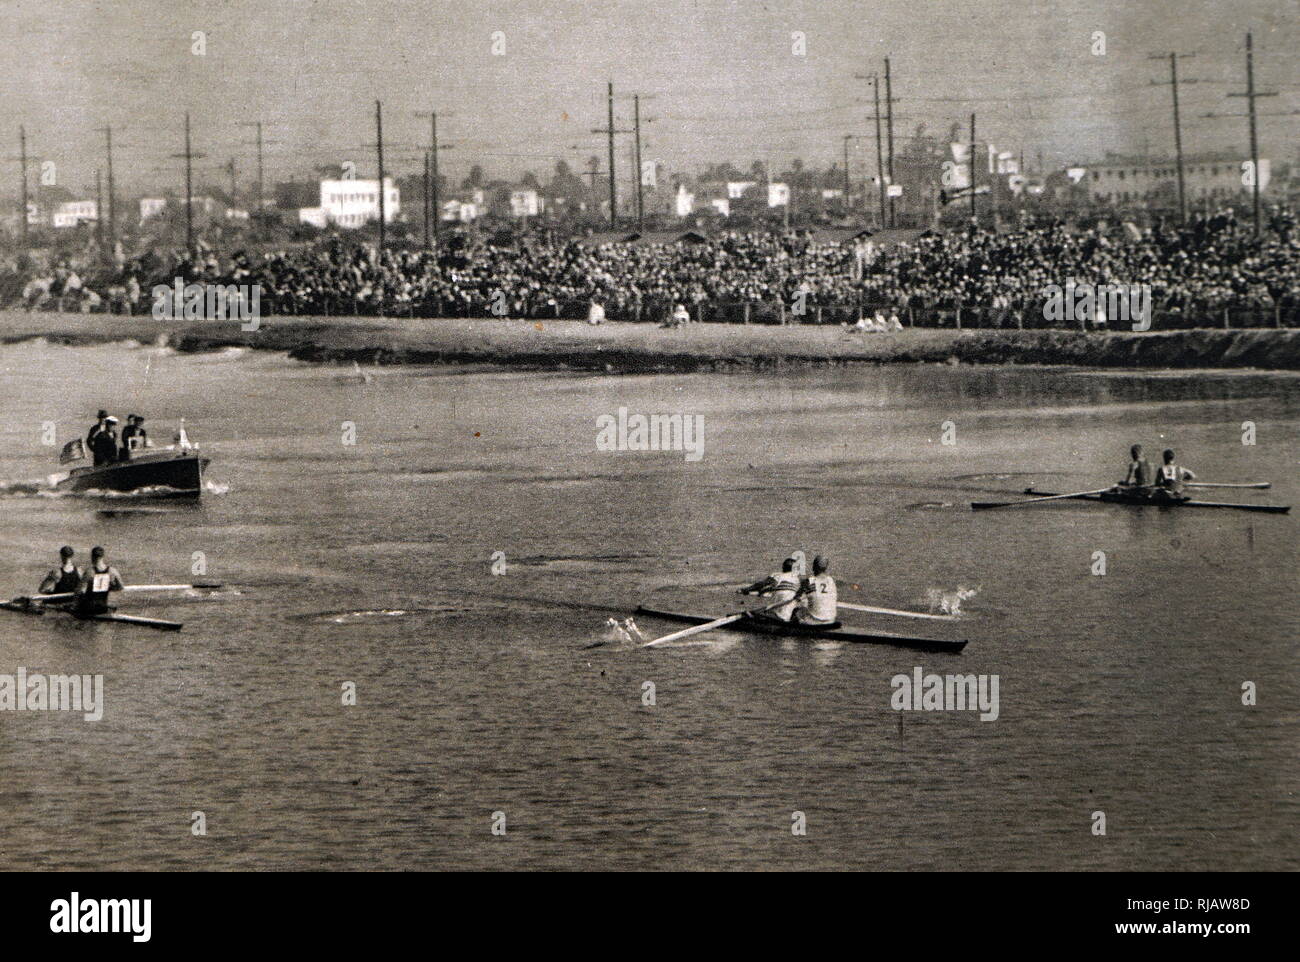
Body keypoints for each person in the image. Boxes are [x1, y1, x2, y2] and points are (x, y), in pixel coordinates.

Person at [739, 557, 802, 622]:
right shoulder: (797, 580)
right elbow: (775, 589)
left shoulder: (779, 575)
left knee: (759, 612)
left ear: (783, 567)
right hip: (788, 611)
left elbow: (763, 584)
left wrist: (745, 590)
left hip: (778, 612)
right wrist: (761, 591)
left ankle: (756, 615)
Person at [74, 546, 124, 617]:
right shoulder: (112, 571)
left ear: (92, 557)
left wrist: (74, 605)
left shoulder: (89, 572)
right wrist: (109, 587)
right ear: (103, 556)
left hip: (89, 609)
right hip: (103, 608)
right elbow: (120, 587)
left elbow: (81, 591)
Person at [794, 555, 838, 625]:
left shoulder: (809, 581)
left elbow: (796, 598)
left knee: (796, 609)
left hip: (814, 622)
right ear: (826, 568)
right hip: (830, 620)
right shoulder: (831, 580)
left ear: (813, 567)